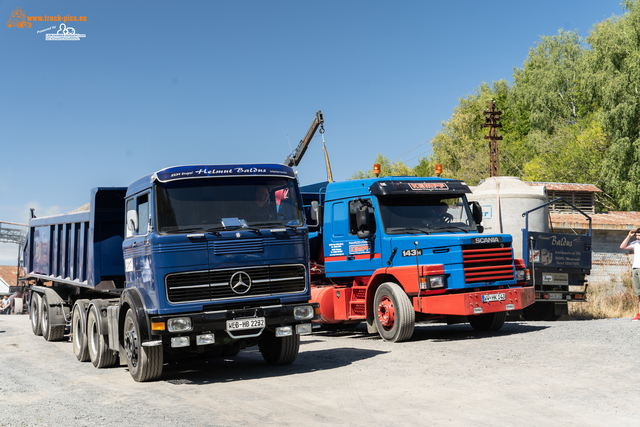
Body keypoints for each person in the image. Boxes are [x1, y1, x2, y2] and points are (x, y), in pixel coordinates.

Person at [620, 227, 640, 321]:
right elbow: (622, 247)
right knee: (638, 293)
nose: (638, 237)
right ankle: (639, 314)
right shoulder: (636, 243)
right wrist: (629, 236)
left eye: (639, 236)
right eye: (637, 235)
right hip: (635, 269)